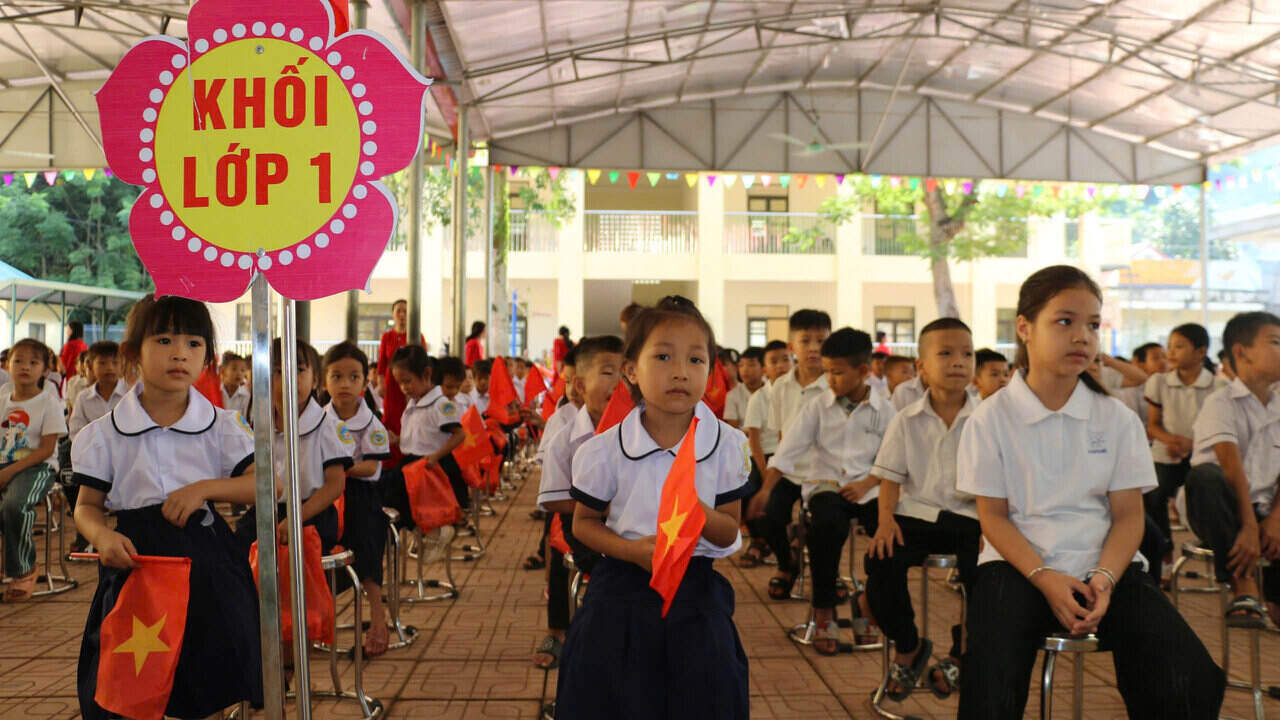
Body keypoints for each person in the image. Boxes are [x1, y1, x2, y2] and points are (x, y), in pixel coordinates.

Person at [956, 265, 1223, 719]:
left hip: (1107, 571)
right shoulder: (990, 418)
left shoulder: (1115, 418)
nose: (1082, 336)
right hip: (1018, 569)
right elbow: (994, 518)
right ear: (1025, 328)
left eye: (1093, 325)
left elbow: (1127, 518)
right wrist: (1045, 577)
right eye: (1065, 321)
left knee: (1188, 675)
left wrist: (1104, 579)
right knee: (990, 678)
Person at [556, 296, 750, 719]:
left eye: (696, 359)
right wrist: (631, 551)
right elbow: (584, 524)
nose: (681, 370)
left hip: (695, 585)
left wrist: (699, 513)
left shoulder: (727, 445)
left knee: (708, 685)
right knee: (606, 682)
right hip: (622, 581)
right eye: (663, 356)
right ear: (632, 370)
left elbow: (730, 531)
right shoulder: (604, 450)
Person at [72, 295, 263, 719]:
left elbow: (267, 484)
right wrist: (101, 535)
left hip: (206, 564)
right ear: (132, 353)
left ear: (207, 358)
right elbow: (86, 506)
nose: (180, 353)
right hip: (135, 565)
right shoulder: (104, 435)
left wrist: (205, 489)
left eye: (194, 344)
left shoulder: (221, 427)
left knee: (203, 675)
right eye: (163, 339)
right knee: (129, 679)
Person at [865, 318, 980, 699]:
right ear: (923, 368)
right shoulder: (905, 419)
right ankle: (909, 645)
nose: (958, 361)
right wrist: (884, 521)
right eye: (945, 353)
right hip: (918, 514)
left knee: (986, 573)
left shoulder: (989, 419)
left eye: (967, 353)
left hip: (973, 517)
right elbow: (890, 478)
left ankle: (963, 656)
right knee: (880, 560)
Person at [763, 328, 893, 655]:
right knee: (826, 528)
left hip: (869, 487)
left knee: (888, 537)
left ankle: (868, 602)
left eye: (837, 372)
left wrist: (868, 483)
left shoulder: (885, 410)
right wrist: (766, 489)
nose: (829, 379)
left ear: (863, 372)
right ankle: (824, 610)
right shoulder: (817, 407)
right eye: (827, 372)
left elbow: (894, 459)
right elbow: (789, 449)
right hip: (827, 485)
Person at [531, 335, 621, 672]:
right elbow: (553, 501)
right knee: (606, 574)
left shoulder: (640, 429)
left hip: (631, 522)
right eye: (609, 372)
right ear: (580, 386)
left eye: (628, 371)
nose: (620, 381)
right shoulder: (565, 432)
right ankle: (568, 635)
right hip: (579, 521)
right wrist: (601, 509)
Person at [1186, 312, 1280, 628]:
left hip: (1265, 510)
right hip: (1218, 507)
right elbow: (1230, 467)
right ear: (1241, 352)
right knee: (1205, 477)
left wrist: (1275, 520)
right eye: (1276, 343)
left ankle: (1274, 600)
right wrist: (1250, 526)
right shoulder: (1221, 402)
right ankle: (1243, 585)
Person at [235, 339, 352, 556]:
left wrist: (294, 519)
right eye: (278, 371)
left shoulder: (327, 426)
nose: (288, 379)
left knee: (292, 552)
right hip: (269, 511)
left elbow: (336, 485)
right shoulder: (259, 426)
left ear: (315, 379)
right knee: (237, 548)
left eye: (298, 370)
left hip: (311, 513)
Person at [745, 310, 831, 601]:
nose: (814, 348)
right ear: (792, 347)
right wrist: (770, 480)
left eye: (821, 340)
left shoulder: (836, 384)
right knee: (765, 516)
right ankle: (787, 563)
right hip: (790, 471)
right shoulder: (780, 387)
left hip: (825, 475)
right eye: (806, 341)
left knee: (825, 528)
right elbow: (782, 436)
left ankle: (825, 587)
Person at [322, 341, 395, 657]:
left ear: (365, 381)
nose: (344, 385)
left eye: (353, 377)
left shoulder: (370, 422)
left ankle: (378, 618)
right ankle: (308, 619)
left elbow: (372, 467)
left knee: (366, 535)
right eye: (336, 376)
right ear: (324, 381)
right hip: (323, 493)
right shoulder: (315, 419)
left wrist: (342, 468)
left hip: (358, 492)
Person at [1144, 323, 1224, 574]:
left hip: (1203, 452)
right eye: (1170, 346)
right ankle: (1164, 548)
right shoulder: (1159, 382)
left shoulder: (1217, 387)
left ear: (1201, 352)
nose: (1171, 352)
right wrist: (1171, 440)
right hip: (1167, 450)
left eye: (1179, 346)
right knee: (1153, 493)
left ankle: (1215, 548)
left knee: (1210, 491)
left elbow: (1220, 429)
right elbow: (1153, 425)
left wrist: (1192, 445)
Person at [0, 338, 67, 601]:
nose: (25, 367)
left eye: (33, 362)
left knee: (15, 505)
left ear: (44, 369)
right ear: (7, 365)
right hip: (4, 464)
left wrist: (9, 472)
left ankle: (23, 571)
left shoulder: (48, 402)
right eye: (18, 361)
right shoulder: (2, 397)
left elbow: (47, 449)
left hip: (37, 467)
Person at [393, 349, 471, 513]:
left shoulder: (441, 404)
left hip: (432, 465)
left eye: (408, 381)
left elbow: (459, 434)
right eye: (400, 383)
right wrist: (398, 439)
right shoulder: (413, 402)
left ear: (426, 374)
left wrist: (436, 456)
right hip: (412, 463)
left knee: (431, 513)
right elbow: (422, 434)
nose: (404, 388)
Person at [739, 340, 791, 567]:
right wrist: (765, 471)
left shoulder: (798, 394)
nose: (781, 366)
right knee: (746, 492)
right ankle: (759, 540)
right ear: (765, 369)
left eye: (785, 360)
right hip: (764, 457)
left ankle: (792, 542)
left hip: (791, 456)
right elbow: (755, 442)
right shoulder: (759, 398)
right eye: (774, 361)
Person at [378, 299, 425, 466]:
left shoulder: (417, 336)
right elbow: (382, 363)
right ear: (393, 314)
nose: (402, 315)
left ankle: (408, 456)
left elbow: (422, 363)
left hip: (410, 385)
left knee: (410, 418)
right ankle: (390, 460)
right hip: (392, 386)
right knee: (391, 418)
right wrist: (381, 383)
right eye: (398, 311)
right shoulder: (387, 337)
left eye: (405, 311)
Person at [724, 346, 765, 430]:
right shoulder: (733, 396)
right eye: (741, 365)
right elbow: (733, 430)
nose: (745, 370)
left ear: (764, 368)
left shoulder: (773, 391)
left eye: (751, 365)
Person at [220, 351, 249, 417]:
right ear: (223, 371)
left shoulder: (246, 395)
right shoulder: (216, 392)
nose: (239, 373)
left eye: (242, 370)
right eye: (234, 369)